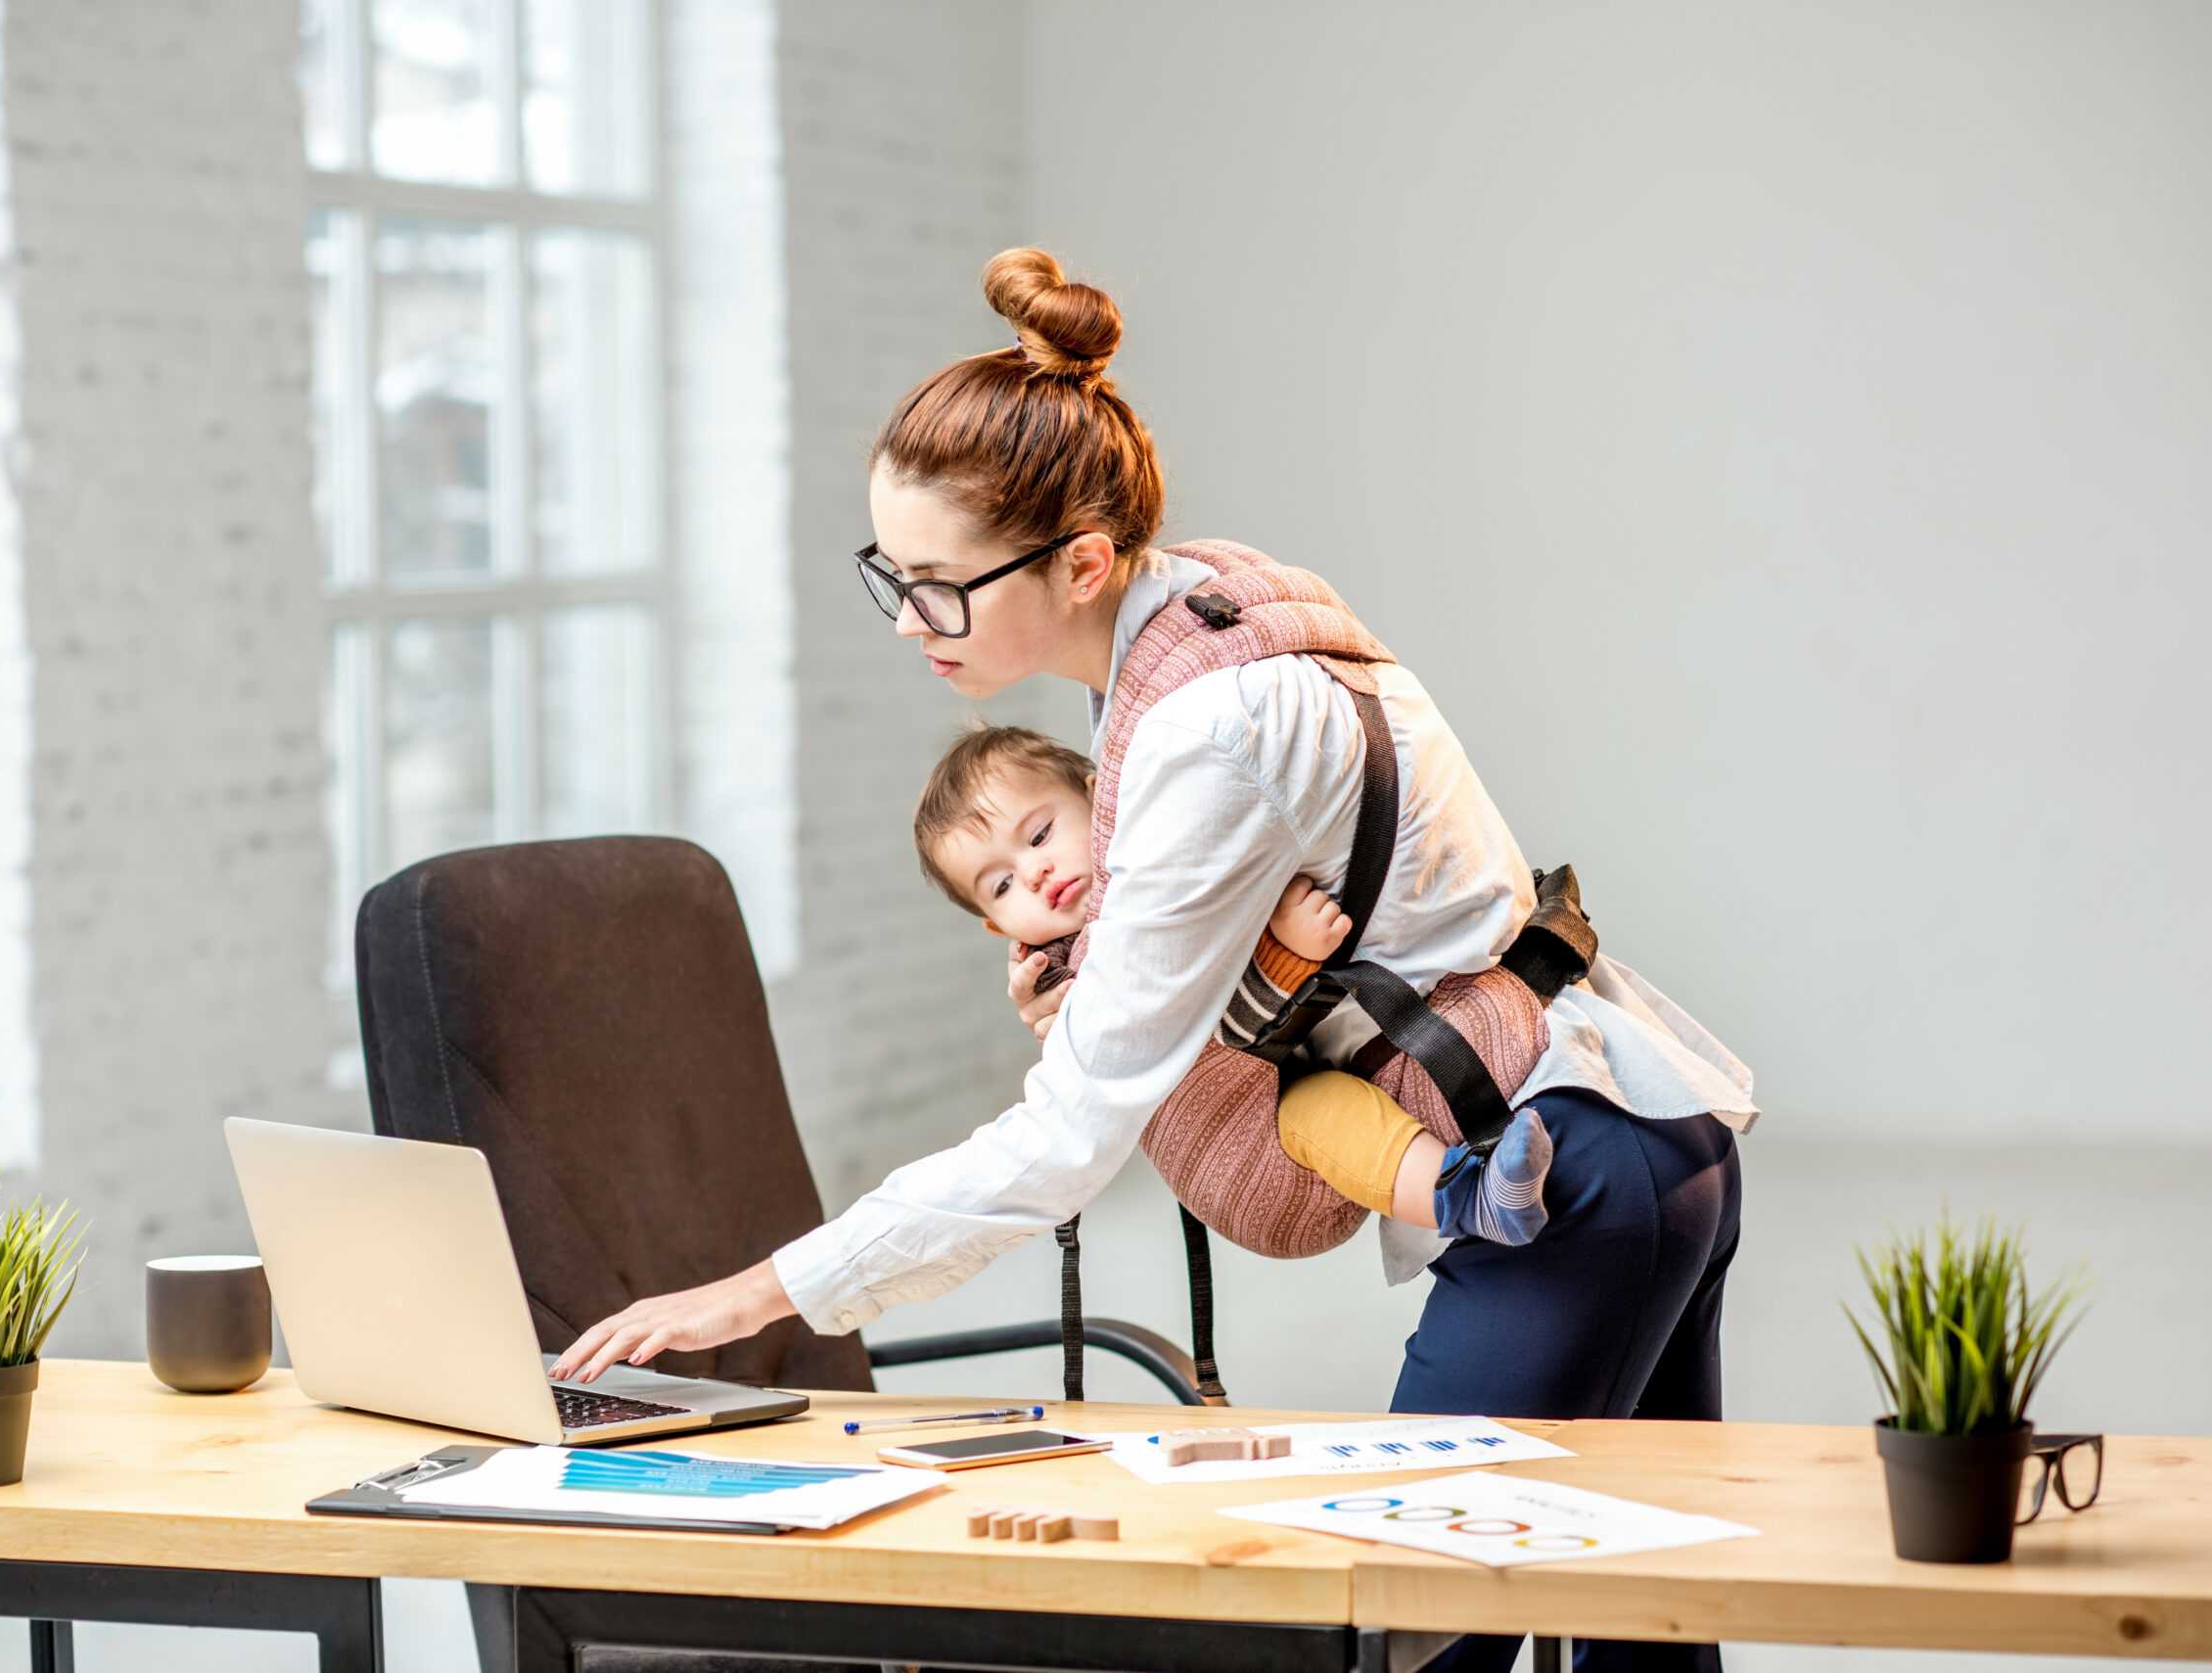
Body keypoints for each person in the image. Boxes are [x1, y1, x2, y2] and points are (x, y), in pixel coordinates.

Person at [555, 248, 1757, 1673]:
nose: (907, 620)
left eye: (939, 586)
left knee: (1402, 1637)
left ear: (1078, 562)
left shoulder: (1197, 734)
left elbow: (1067, 1145)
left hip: (1564, 1173)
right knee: (1640, 1636)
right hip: (1641, 1127)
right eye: (891, 572)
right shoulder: (1219, 604)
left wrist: (755, 1293)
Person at [912, 721, 1555, 1243]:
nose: (1033, 872)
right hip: (1254, 1149)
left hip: (1304, 1056)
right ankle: (1468, 1196)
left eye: (1040, 834)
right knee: (1320, 1109)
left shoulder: (1161, 874)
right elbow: (1212, 1029)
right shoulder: (1070, 977)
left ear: (1100, 798)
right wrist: (1285, 956)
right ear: (997, 927)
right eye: (999, 884)